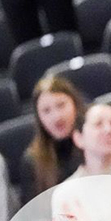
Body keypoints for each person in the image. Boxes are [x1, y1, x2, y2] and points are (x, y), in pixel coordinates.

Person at [19, 76, 85, 206]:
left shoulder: (95, 141)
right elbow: (32, 217)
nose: (57, 117)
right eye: (46, 111)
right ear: (39, 118)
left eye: (61, 105)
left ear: (75, 104)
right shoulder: (32, 160)